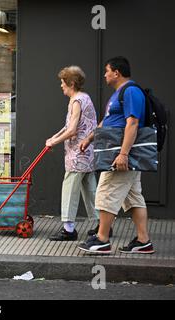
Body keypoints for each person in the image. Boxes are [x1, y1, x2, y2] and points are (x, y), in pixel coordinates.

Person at [78, 56, 154, 254]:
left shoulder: (131, 92)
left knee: (106, 192)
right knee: (133, 198)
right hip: (118, 153)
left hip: (120, 156)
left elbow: (133, 123)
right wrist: (90, 138)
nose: (105, 74)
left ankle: (102, 239)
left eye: (107, 70)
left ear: (116, 73)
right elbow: (108, 121)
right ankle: (143, 241)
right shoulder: (118, 94)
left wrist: (123, 154)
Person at [46, 66, 100, 241]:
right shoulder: (82, 98)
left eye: (62, 83)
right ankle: (103, 224)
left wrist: (54, 141)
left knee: (69, 188)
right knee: (90, 189)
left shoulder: (77, 101)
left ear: (71, 83)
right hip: (87, 153)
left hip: (78, 155)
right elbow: (68, 127)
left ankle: (69, 229)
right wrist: (54, 136)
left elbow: (72, 130)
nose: (61, 86)